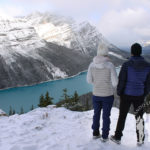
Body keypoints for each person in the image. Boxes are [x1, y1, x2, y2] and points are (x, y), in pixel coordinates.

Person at [110, 43, 150, 146]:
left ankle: (117, 137)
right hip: (139, 95)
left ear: (131, 52)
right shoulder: (147, 65)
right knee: (139, 117)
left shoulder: (126, 65)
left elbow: (122, 80)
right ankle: (140, 139)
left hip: (126, 95)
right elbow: (148, 83)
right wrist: (144, 93)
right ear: (140, 52)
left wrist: (119, 92)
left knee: (122, 116)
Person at [87, 42, 118, 142]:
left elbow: (89, 80)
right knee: (106, 116)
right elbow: (115, 83)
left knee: (96, 114)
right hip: (108, 95)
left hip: (96, 94)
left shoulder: (92, 65)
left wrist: (97, 83)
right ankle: (105, 136)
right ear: (106, 53)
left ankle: (95, 133)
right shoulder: (110, 65)